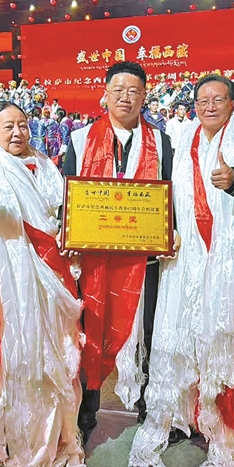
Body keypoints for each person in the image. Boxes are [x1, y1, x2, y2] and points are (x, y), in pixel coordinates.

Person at [130, 74, 234, 467]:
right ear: (194, 106)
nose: (210, 106)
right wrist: (166, 231)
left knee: (232, 342)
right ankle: (190, 416)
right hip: (186, 261)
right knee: (186, 339)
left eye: (218, 99)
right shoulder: (181, 144)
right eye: (203, 100)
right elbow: (162, 197)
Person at [0, 101, 84, 467]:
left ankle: (44, 441)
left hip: (43, 280)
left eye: (22, 124)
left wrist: (68, 234)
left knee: (43, 356)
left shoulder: (44, 165)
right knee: (5, 362)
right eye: (8, 126)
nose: (18, 132)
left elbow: (62, 213)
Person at [63, 61, 174, 441]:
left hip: (145, 256)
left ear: (144, 96)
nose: (126, 98)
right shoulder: (80, 139)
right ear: (105, 94)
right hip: (94, 256)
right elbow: (69, 193)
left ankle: (147, 404)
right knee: (90, 328)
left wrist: (169, 232)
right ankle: (87, 408)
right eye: (118, 90)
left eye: (134, 91)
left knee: (146, 329)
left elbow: (169, 191)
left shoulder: (160, 142)